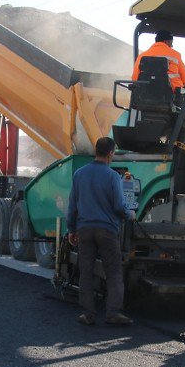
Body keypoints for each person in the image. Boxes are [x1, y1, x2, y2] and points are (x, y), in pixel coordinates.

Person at [66, 137, 136, 326]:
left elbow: (72, 205)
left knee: (86, 272)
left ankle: (88, 314)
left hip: (85, 230)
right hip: (107, 230)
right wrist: (131, 215)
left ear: (96, 150)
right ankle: (113, 313)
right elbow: (119, 206)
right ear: (111, 153)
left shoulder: (80, 174)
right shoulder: (113, 176)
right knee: (113, 272)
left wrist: (71, 229)